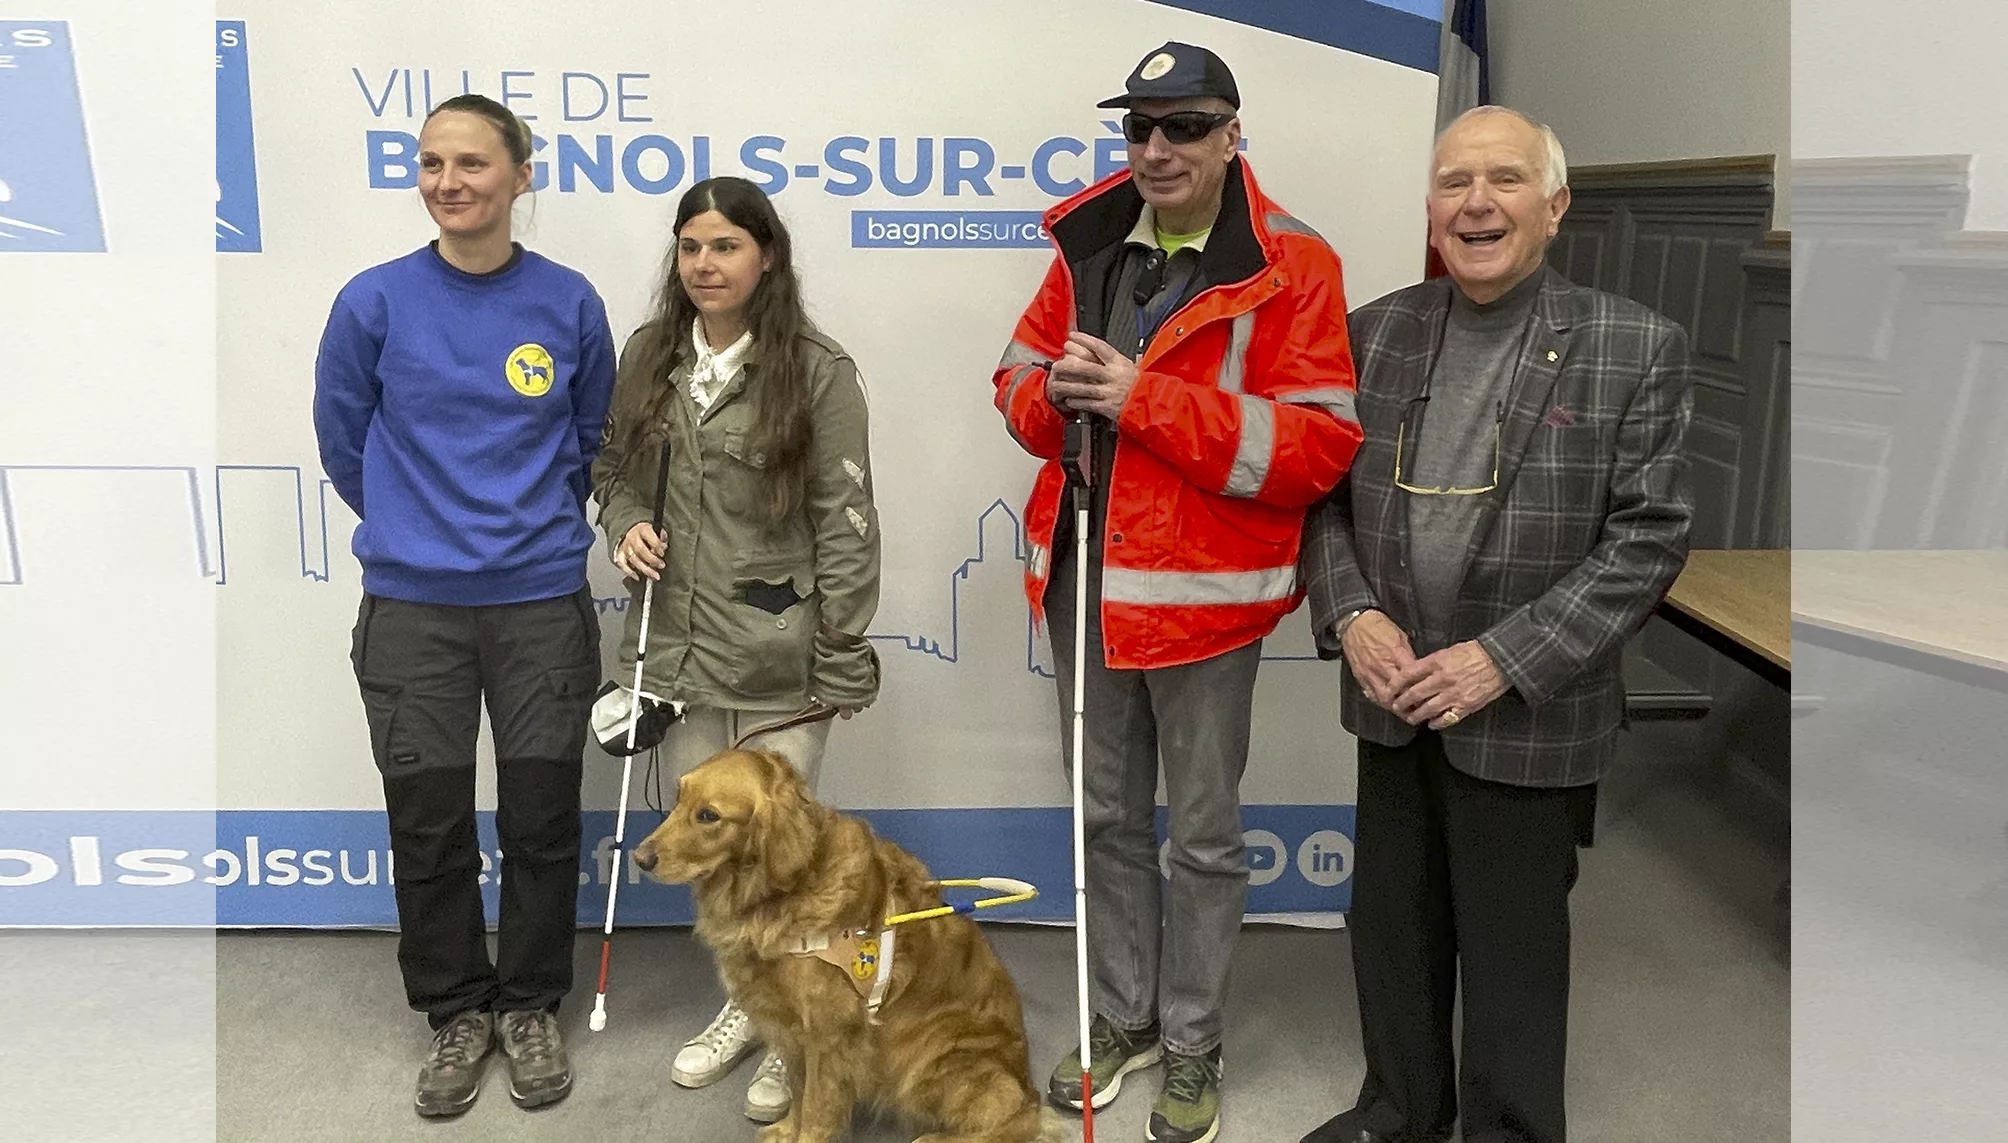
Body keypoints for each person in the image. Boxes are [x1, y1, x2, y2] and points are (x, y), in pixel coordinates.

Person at [1298, 106, 1695, 1143]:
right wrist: (1352, 615)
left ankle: (1511, 1130)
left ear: (1554, 206)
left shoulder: (1634, 346)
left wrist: (1499, 660)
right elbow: (1321, 502)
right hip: (1390, 698)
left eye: (1506, 180)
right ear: (1429, 208)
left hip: (1525, 710)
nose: (1475, 203)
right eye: (1452, 182)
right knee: (1392, 928)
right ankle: (1397, 1113)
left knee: (1513, 947)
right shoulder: (1371, 332)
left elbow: (1646, 542)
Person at [992, 40, 1362, 1143]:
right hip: (1089, 587)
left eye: (1185, 126)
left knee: (1201, 837)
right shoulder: (1088, 241)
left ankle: (1193, 1043)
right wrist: (1050, 397)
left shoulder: (1298, 264)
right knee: (1103, 821)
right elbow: (1013, 380)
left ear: (1232, 133)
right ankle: (1123, 1021)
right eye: (1139, 128)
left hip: (1206, 600)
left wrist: (1143, 400)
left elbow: (1317, 448)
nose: (1157, 149)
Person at [312, 93, 615, 1118]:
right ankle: (455, 1011)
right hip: (413, 610)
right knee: (427, 823)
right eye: (433, 162)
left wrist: (512, 527)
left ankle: (529, 1003)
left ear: (521, 176)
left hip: (538, 605)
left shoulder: (568, 303)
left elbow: (587, 442)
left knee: (538, 821)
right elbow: (344, 441)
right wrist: (417, 526)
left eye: (473, 163)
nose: (451, 182)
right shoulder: (374, 302)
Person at [591, 175, 881, 1125]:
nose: (705, 264)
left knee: (785, 866)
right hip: (674, 654)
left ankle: (799, 1032)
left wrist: (840, 652)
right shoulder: (649, 355)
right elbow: (614, 473)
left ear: (767, 258)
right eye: (690, 247)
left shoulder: (818, 369)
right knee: (709, 854)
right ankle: (747, 1006)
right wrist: (625, 523)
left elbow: (846, 520)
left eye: (725, 246)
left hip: (780, 661)